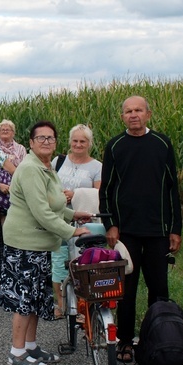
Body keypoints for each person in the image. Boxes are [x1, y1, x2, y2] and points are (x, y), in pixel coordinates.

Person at [0, 121, 92, 365]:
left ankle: (30, 346)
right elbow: (40, 211)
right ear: (30, 142)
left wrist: (73, 215)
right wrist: (72, 231)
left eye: (51, 138)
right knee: (24, 299)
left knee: (37, 297)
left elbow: (54, 205)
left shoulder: (46, 167)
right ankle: (16, 353)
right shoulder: (30, 169)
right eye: (41, 138)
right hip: (24, 243)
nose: (46, 142)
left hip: (39, 244)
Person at [99, 95, 182, 364]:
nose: (133, 115)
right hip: (126, 232)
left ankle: (155, 338)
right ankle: (124, 340)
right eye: (128, 111)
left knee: (159, 287)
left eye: (138, 110)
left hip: (157, 229)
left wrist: (175, 228)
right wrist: (110, 224)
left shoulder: (162, 143)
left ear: (148, 114)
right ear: (122, 116)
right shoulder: (115, 146)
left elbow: (172, 188)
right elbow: (107, 190)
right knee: (127, 288)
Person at [50, 124, 103, 317]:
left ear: (89, 143)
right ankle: (62, 303)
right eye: (75, 140)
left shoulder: (97, 166)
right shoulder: (59, 160)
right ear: (70, 141)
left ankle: (82, 304)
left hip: (83, 221)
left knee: (81, 262)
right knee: (58, 260)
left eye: (83, 141)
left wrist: (76, 194)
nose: (78, 144)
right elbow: (48, 183)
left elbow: (99, 193)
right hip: (58, 218)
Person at [0, 119, 27, 293]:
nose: (5, 131)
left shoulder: (21, 149)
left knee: (10, 234)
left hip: (15, 192)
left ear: (13, 132)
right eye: (2, 129)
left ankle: (10, 273)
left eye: (8, 129)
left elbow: (24, 170)